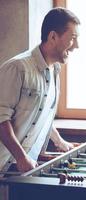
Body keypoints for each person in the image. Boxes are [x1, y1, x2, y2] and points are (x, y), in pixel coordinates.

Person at [0, 7, 80, 173]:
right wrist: (22, 157)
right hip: (4, 167)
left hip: (24, 168)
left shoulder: (55, 70)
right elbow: (1, 118)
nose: (76, 46)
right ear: (52, 36)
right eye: (73, 38)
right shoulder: (17, 68)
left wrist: (59, 141)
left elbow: (39, 113)